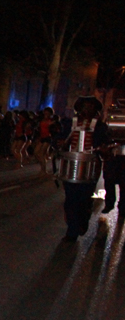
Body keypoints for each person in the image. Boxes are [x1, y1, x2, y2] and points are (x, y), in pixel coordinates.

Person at [60, 96, 108, 239]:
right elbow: (60, 138)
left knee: (84, 199)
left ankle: (82, 221)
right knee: (70, 200)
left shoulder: (100, 126)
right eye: (85, 106)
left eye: (90, 107)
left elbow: (104, 142)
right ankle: (72, 231)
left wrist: (104, 149)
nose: (87, 109)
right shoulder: (70, 123)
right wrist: (58, 142)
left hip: (90, 168)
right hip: (71, 166)